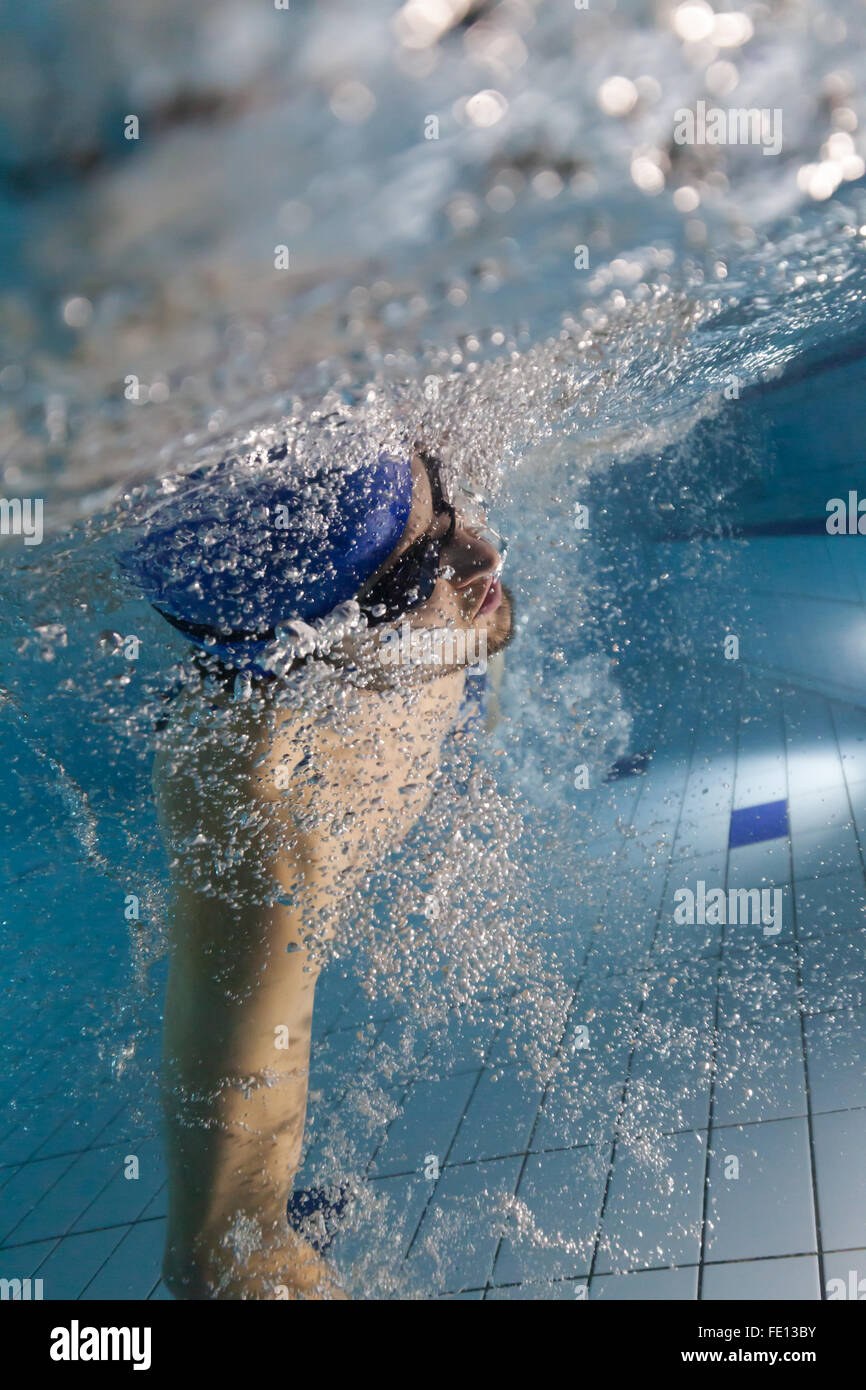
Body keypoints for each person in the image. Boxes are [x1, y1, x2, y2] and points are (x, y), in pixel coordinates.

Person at [122, 437, 514, 1299]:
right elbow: (221, 1260)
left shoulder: (288, 752)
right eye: (442, 575)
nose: (483, 553)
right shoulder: (279, 816)